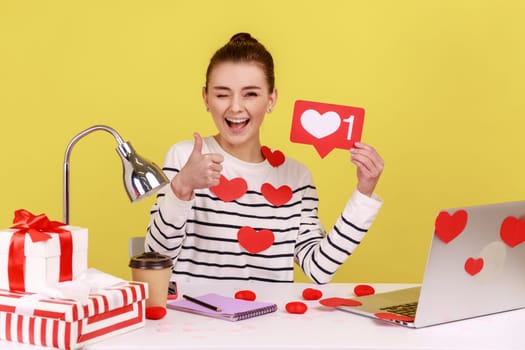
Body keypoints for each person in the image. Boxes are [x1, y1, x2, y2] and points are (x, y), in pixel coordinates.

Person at [145, 32, 384, 284]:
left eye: (250, 94)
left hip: (269, 321)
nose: (235, 107)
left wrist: (364, 192)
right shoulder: (185, 157)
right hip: (195, 318)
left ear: (271, 99)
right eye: (222, 94)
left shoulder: (296, 177)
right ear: (206, 98)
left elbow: (320, 268)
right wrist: (182, 187)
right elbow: (157, 255)